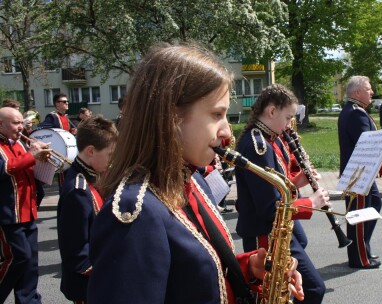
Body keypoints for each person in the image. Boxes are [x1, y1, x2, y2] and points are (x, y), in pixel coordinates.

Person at [87, 44, 303, 303]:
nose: (226, 133)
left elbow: (189, 276)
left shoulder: (192, 179)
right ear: (171, 116)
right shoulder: (135, 213)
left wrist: (247, 268)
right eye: (217, 115)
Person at [235, 84, 330, 304]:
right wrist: (310, 202)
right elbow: (269, 208)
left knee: (297, 257)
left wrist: (298, 181)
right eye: (288, 118)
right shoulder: (258, 146)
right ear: (271, 111)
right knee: (313, 289)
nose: (290, 125)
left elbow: (277, 185)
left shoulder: (272, 138)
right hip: (264, 232)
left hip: (274, 227)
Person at [338, 76, 382, 269]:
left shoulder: (353, 111)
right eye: (368, 89)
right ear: (357, 93)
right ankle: (359, 258)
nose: (372, 92)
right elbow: (368, 148)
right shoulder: (357, 114)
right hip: (359, 175)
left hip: (360, 174)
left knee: (374, 205)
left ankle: (362, 248)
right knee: (360, 216)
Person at [57, 115, 118, 303]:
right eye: (110, 155)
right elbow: (77, 255)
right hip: (89, 286)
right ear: (91, 151)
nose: (112, 160)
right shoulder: (78, 190)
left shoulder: (91, 174)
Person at [0, 107, 50, 303]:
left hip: (27, 212)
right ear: (1, 125)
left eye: (21, 122)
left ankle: (29, 301)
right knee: (17, 258)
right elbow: (5, 168)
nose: (21, 127)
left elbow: (26, 170)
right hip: (8, 215)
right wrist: (31, 155)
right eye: (15, 123)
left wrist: (42, 159)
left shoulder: (20, 143)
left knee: (30, 263)